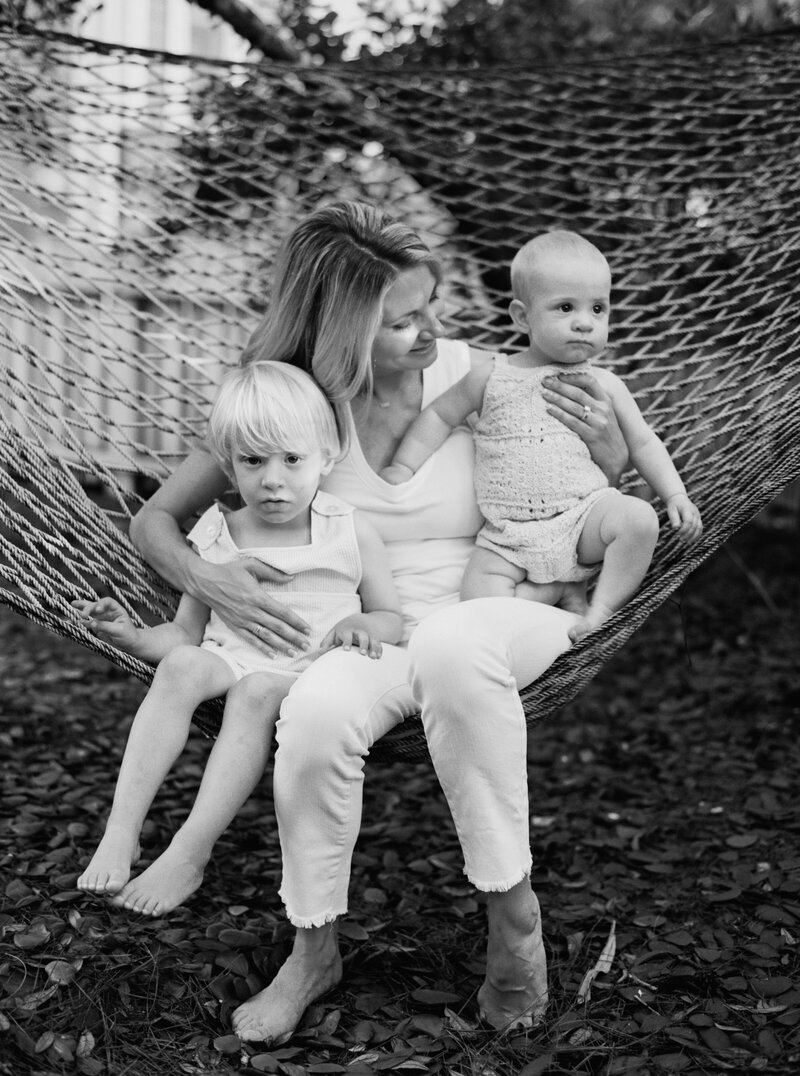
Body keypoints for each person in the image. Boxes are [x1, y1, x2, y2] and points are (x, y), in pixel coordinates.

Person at [128, 201, 630, 1041]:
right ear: (338, 335)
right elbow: (153, 520)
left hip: (512, 602)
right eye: (401, 322)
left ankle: (515, 926)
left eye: (430, 305)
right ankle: (312, 947)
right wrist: (211, 580)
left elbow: (602, 486)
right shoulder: (292, 409)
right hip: (374, 628)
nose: (430, 331)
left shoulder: (489, 377)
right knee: (315, 710)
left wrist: (613, 452)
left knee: (453, 641)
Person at [73, 360, 402, 917]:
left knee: (254, 696)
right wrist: (130, 637)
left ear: (328, 456)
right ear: (228, 465)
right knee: (180, 669)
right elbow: (184, 634)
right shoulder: (218, 534)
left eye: (292, 460)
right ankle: (121, 830)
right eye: (253, 461)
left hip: (307, 672)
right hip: (229, 660)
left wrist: (364, 625)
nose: (273, 479)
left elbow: (391, 614)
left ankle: (189, 850)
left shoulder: (349, 529)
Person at [381, 229, 702, 640]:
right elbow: (439, 417)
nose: (585, 323)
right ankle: (550, 594)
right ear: (521, 316)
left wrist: (675, 494)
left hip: (582, 520)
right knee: (479, 610)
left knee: (638, 519)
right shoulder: (492, 376)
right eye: (566, 308)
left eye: (599, 309)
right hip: (505, 538)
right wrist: (403, 466)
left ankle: (599, 609)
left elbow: (643, 442)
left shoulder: (606, 384)